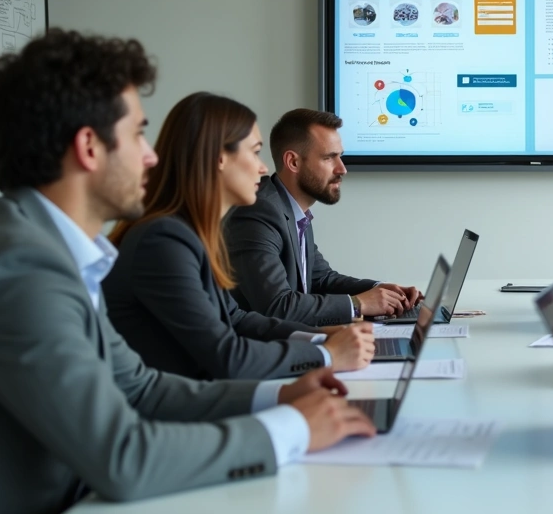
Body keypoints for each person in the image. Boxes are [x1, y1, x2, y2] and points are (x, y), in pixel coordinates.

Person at [0, 29, 374, 514]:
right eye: (137, 134)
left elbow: (139, 386)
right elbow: (124, 459)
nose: (151, 156)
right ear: (89, 147)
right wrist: (294, 428)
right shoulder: (17, 269)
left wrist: (282, 392)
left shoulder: (48, 249)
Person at [104, 93, 375, 379]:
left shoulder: (191, 231)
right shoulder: (162, 239)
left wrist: (320, 336)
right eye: (255, 152)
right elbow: (227, 355)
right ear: (220, 158)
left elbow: (237, 319)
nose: (263, 168)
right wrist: (328, 354)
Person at [225, 109, 423, 324]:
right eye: (329, 158)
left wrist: (380, 291)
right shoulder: (257, 213)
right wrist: (358, 304)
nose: (342, 169)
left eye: (340, 156)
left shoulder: (293, 210)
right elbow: (277, 306)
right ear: (293, 162)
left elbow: (321, 279)